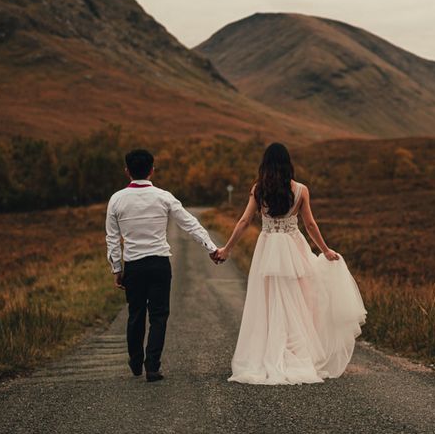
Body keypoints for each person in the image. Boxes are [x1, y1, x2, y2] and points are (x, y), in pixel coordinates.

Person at [214, 142, 367, 384]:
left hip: (268, 248)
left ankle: (269, 352)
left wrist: (227, 249)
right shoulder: (301, 190)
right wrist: (325, 250)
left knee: (269, 301)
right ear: (288, 164)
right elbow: (310, 225)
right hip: (294, 247)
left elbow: (244, 221)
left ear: (265, 164)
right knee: (300, 300)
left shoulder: (259, 189)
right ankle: (297, 352)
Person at [105, 148, 223, 382]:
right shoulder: (164, 196)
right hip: (159, 264)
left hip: (134, 266)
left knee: (136, 313)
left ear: (127, 170)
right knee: (159, 315)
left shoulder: (116, 199)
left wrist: (117, 268)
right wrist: (211, 247)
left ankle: (136, 360)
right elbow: (189, 223)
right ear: (152, 170)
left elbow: (111, 237)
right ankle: (153, 366)